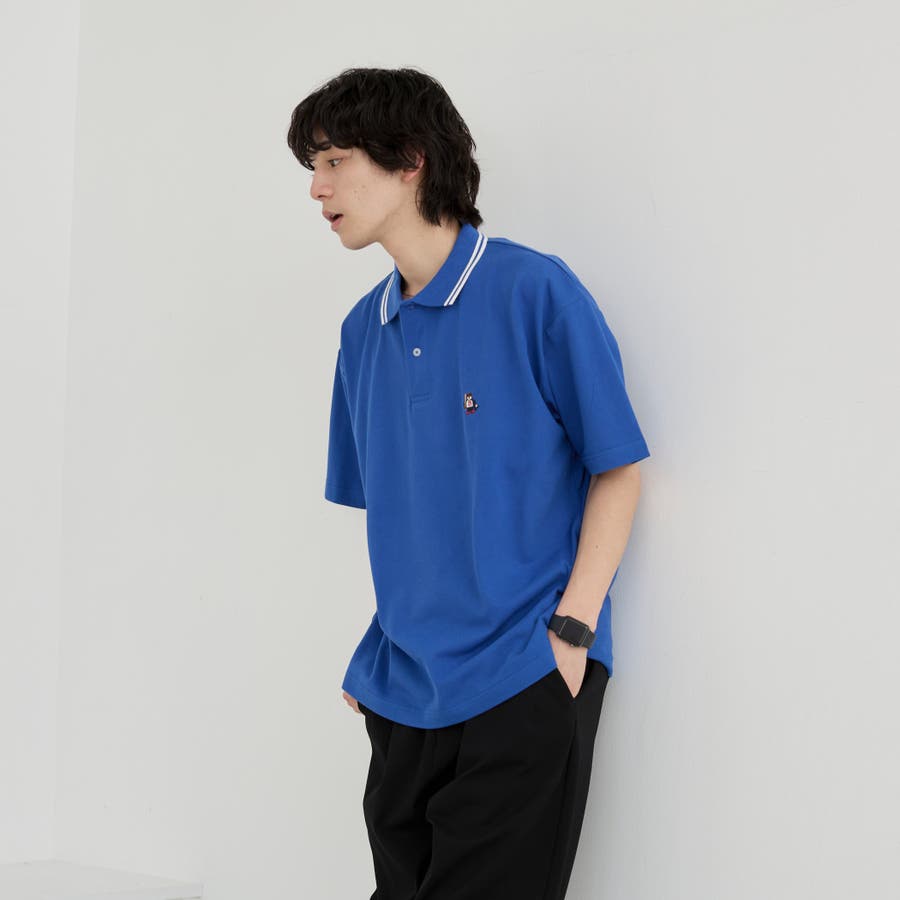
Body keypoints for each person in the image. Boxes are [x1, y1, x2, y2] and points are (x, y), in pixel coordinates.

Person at [286, 66, 650, 900]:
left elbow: (619, 468)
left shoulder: (534, 292)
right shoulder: (362, 331)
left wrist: (572, 631)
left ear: (410, 159)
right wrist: (382, 647)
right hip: (403, 690)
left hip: (522, 673)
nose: (317, 188)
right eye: (313, 166)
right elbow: (406, 510)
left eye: (335, 161)